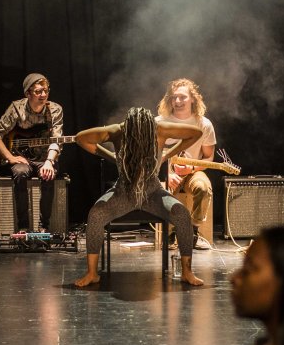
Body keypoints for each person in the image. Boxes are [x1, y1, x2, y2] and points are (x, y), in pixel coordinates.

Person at [73, 107, 205, 288]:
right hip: (124, 191)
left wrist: (168, 153)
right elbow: (81, 138)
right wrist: (112, 157)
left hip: (153, 192)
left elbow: (196, 133)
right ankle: (92, 273)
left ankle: (187, 272)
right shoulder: (118, 131)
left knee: (181, 213)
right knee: (96, 214)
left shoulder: (160, 129)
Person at [0, 73, 63, 231]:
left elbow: (57, 139)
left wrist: (49, 162)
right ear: (28, 93)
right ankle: (23, 227)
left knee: (49, 175)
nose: (43, 95)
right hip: (22, 158)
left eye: (46, 90)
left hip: (45, 157)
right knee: (20, 173)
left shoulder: (55, 109)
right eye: (38, 91)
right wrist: (10, 157)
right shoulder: (17, 107)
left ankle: (44, 227)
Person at [156, 78, 216, 249]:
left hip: (192, 171)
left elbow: (208, 159)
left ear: (193, 99)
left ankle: (193, 230)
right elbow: (151, 156)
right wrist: (168, 173)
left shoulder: (204, 124)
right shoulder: (159, 122)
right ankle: (171, 233)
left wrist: (191, 168)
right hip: (166, 171)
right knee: (161, 191)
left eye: (182, 97)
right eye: (174, 97)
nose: (177, 101)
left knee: (203, 187)